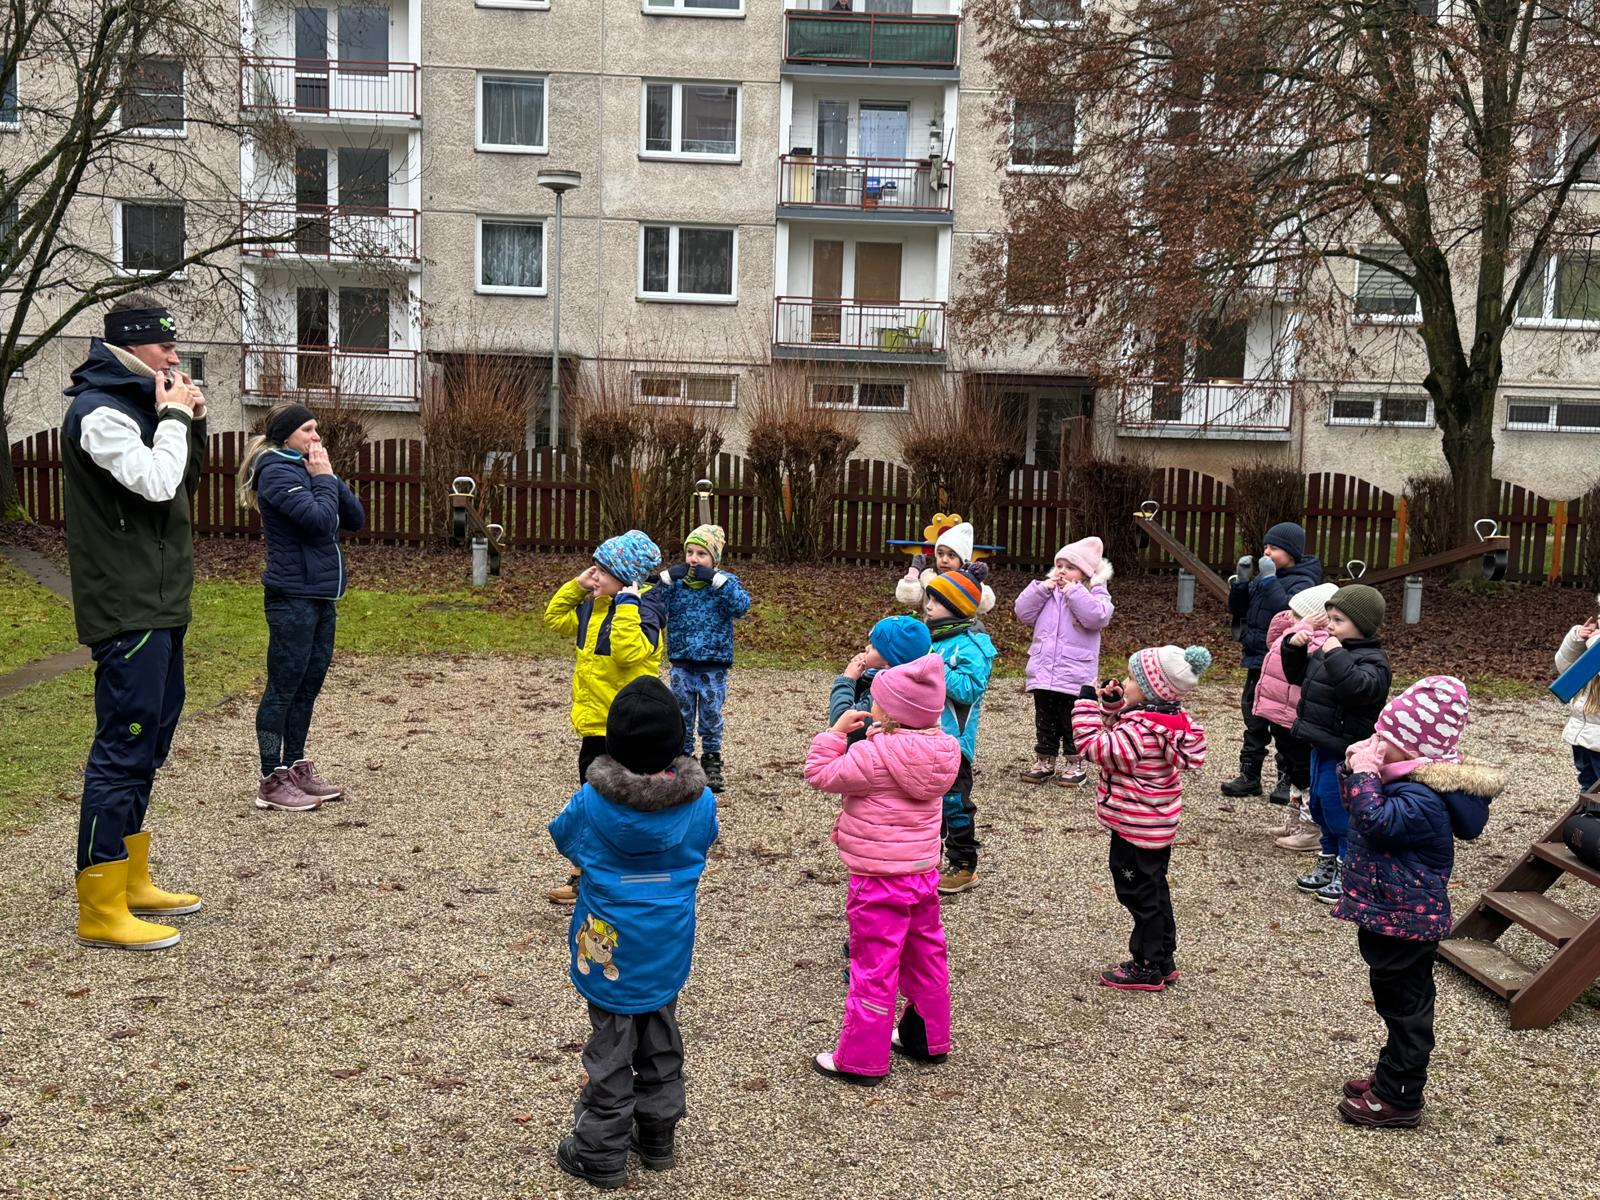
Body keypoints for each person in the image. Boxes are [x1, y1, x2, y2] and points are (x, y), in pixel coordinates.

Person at [61, 295, 207, 951]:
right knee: (123, 748)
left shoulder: (143, 405)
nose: (174, 357)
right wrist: (173, 416)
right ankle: (99, 904)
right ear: (130, 345)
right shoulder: (99, 414)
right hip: (125, 607)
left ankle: (130, 877)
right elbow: (154, 483)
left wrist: (191, 420)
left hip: (161, 602)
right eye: (164, 346)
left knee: (150, 745)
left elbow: (183, 483)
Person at [547, 677, 718, 1187]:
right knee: (660, 1029)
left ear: (614, 743)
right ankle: (658, 1132)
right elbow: (705, 839)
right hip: (667, 939)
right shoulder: (700, 802)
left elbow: (564, 837)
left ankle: (600, 1150)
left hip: (610, 942)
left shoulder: (591, 802)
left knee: (612, 1044)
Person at [1333, 677, 1502, 1129]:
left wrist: (1365, 774)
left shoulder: (1422, 798)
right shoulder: (1402, 780)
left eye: (1383, 739)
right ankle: (1392, 1075)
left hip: (1406, 922)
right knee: (1394, 1001)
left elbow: (1375, 822)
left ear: (1412, 749)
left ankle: (1400, 1096)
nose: (1375, 744)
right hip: (1391, 915)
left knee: (1407, 1009)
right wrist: (1355, 771)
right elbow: (1358, 809)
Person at [804, 654, 961, 1085]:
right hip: (922, 873)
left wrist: (835, 734)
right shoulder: (944, 751)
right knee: (927, 955)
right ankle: (927, 1037)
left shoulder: (872, 755)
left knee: (874, 966)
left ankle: (861, 1058)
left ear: (888, 712)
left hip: (877, 879)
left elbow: (819, 774)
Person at [239, 403, 366, 812]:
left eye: (316, 429)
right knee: (283, 687)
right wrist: (323, 479)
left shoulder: (308, 468)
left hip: (320, 595)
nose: (316, 437)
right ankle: (271, 778)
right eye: (308, 430)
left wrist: (328, 475)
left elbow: (355, 518)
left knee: (308, 685)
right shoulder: (275, 470)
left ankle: (295, 767)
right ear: (286, 435)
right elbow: (318, 521)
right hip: (291, 596)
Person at [1072, 644, 1211, 992]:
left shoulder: (1140, 731)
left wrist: (1087, 705)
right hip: (1154, 826)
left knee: (1138, 895)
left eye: (1133, 679)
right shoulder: (1166, 721)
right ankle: (1163, 958)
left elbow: (1096, 748)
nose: (1126, 682)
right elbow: (1126, 732)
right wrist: (1114, 706)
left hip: (1134, 826)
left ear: (1151, 690)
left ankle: (1146, 966)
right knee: (1155, 889)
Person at [544, 530, 667, 905]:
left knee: (622, 806)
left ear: (626, 579)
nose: (593, 575)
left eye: (601, 570)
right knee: (592, 805)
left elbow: (629, 654)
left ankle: (625, 875)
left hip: (627, 731)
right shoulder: (592, 608)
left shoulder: (644, 613)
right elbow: (554, 619)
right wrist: (576, 587)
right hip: (595, 727)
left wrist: (627, 605)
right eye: (593, 568)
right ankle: (585, 875)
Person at [1281, 584, 1391, 904]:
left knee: (1337, 808)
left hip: (1345, 750)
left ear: (1362, 625)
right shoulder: (1331, 650)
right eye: (1329, 619)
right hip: (1320, 742)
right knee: (1318, 805)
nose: (1329, 626)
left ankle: (1349, 869)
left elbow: (1357, 689)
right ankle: (1328, 859)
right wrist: (1293, 648)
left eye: (1338, 620)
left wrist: (1334, 653)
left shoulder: (1373, 661)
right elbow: (1301, 677)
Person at [1224, 522, 1323, 800]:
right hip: (1257, 659)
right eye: (1266, 546)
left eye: (1274, 548)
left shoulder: (1303, 581)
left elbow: (1286, 611)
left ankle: (1286, 778)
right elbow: (1238, 609)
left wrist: (1268, 580)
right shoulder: (1264, 578)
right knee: (1253, 718)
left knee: (1282, 721)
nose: (1267, 552)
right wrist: (1241, 583)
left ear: (1291, 552)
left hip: (1283, 663)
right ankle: (1249, 775)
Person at [655, 524, 750, 794]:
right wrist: (665, 579)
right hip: (682, 661)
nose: (694, 559)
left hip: (713, 663)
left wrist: (717, 581)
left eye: (701, 554)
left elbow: (741, 606)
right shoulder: (678, 585)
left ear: (714, 559)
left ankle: (711, 759)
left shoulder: (725, 583)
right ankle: (684, 759)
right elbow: (655, 602)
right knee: (681, 713)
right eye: (690, 553)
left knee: (710, 714)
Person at [1014, 536, 1114, 786]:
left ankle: (1075, 761)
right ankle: (1045, 758)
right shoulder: (1047, 593)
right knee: (1045, 719)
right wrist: (1041, 589)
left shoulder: (1094, 593)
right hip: (1044, 670)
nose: (1062, 571)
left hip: (1075, 673)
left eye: (1070, 567)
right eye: (1059, 565)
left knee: (1073, 721)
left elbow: (1097, 617)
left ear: (1085, 573)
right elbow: (1022, 612)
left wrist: (1074, 591)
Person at [921, 569, 997, 895]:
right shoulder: (930, 638)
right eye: (929, 598)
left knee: (953, 802)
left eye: (937, 601)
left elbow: (968, 690)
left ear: (956, 607)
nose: (928, 605)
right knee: (924, 800)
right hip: (922, 736)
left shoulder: (973, 646)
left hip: (953, 741)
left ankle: (963, 863)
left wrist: (933, 666)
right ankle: (928, 856)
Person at [1253, 581, 1339, 850]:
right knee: (1291, 769)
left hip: (1294, 715)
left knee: (1303, 773)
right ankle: (1294, 821)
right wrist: (1294, 619)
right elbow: (1274, 639)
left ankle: (1311, 828)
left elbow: (1296, 655)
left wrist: (1304, 627)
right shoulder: (1295, 631)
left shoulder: (1318, 640)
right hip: (1279, 713)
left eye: (1298, 614)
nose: (1291, 618)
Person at [831, 615, 933, 746]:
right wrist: (863, 678)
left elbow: (841, 720)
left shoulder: (887, 693)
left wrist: (848, 679)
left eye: (874, 646)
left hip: (867, 755)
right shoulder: (905, 683)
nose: (867, 648)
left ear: (890, 660)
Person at [895, 521, 996, 616]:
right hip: (932, 626)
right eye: (940, 553)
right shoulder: (929, 577)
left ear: (962, 559)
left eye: (951, 555)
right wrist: (913, 572)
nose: (944, 560)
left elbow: (983, 604)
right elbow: (909, 598)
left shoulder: (967, 581)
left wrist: (975, 580)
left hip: (961, 627)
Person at [1553, 604, 1600, 793]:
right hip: (1582, 732)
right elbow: (1564, 668)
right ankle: (1587, 807)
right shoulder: (1593, 644)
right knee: (1587, 783)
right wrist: (1575, 641)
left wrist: (1596, 646)